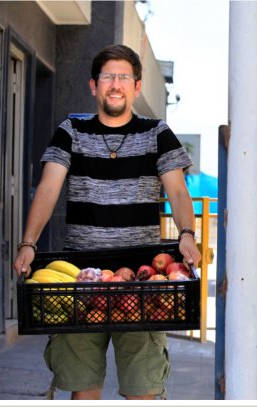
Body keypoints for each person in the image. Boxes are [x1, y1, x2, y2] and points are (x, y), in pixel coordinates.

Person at [13, 44, 201, 400]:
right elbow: (49, 187)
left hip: (143, 280)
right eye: (108, 77)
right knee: (83, 390)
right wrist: (28, 243)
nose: (116, 84)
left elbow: (177, 192)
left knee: (143, 390)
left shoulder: (156, 133)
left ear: (137, 86)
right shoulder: (72, 130)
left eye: (124, 77)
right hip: (78, 278)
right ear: (93, 85)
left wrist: (188, 233)